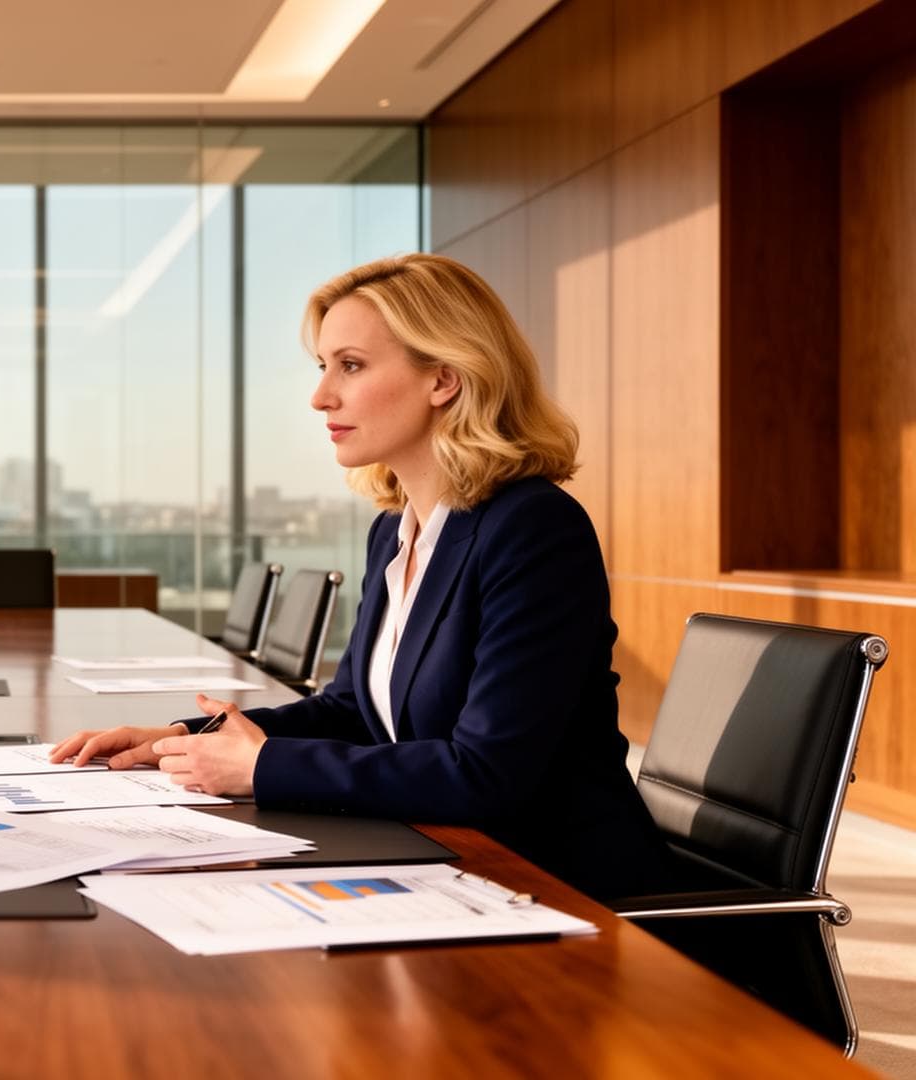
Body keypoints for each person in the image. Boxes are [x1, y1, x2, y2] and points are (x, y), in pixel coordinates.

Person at [51, 253, 667, 901]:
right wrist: (181, 741)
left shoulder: (534, 527)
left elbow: (489, 774)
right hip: (443, 861)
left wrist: (261, 767)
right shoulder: (397, 531)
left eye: (350, 365)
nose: (321, 396)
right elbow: (352, 711)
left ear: (445, 378)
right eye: (323, 367)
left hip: (561, 891)